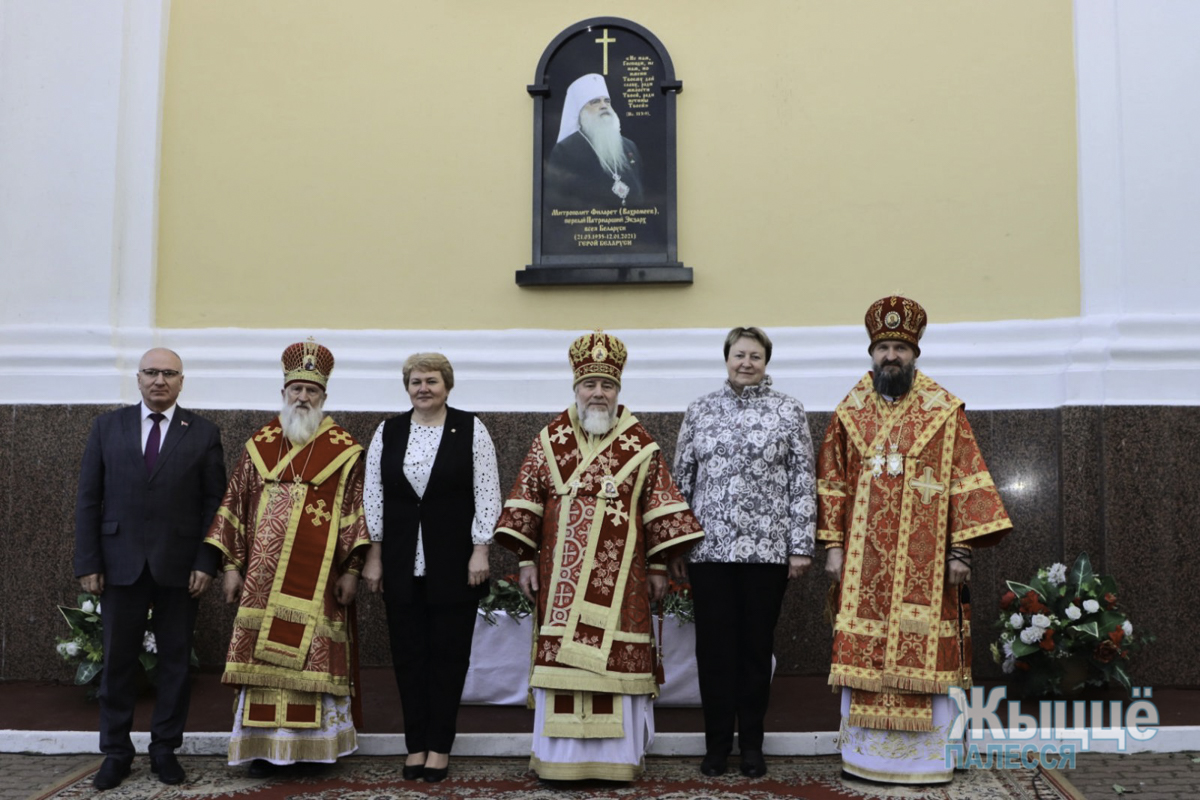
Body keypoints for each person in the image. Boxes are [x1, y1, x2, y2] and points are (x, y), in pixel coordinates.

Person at [494, 330, 704, 781]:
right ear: (576, 387)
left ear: (617, 390)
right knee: (563, 665)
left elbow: (657, 508)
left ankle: (616, 760)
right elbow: (526, 504)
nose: (597, 393)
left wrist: (658, 565)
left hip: (623, 583)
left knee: (615, 663)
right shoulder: (548, 440)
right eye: (589, 384)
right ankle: (559, 760)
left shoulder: (640, 443)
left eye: (606, 385)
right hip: (560, 580)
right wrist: (526, 563)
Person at [818, 296, 1012, 784]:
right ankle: (863, 758)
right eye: (883, 346)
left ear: (915, 353)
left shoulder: (943, 412)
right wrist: (834, 547)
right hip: (863, 565)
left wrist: (960, 550)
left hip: (926, 568)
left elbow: (968, 481)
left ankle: (928, 760)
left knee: (926, 650)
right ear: (871, 351)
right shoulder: (849, 412)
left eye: (899, 347)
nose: (891, 356)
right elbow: (832, 483)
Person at [204, 339, 370, 777]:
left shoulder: (345, 450)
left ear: (324, 397)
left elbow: (357, 513)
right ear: (283, 393)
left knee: (310, 662)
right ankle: (262, 748)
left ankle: (312, 751)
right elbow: (233, 507)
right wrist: (231, 567)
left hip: (318, 585)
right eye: (295, 389)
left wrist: (353, 570)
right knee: (262, 664)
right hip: (258, 580)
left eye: (311, 391)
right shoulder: (258, 447)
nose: (302, 397)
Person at [73, 348, 225, 790]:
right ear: (138, 379)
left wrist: (206, 561)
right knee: (118, 663)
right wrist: (88, 563)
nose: (160, 380)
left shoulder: (203, 433)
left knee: (175, 664)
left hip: (180, 568)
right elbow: (88, 499)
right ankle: (116, 753)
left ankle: (164, 750)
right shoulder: (107, 427)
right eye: (152, 372)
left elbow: (213, 504)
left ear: (182, 381)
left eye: (169, 373)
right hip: (118, 565)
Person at [672, 326, 817, 778]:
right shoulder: (700, 410)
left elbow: (802, 482)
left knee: (755, 650)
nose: (747, 363)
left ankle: (752, 746)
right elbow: (680, 481)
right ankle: (717, 746)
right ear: (727, 358)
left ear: (766, 361)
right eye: (739, 354)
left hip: (768, 553)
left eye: (755, 355)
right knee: (714, 653)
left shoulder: (789, 411)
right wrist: (675, 545)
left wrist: (801, 547)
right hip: (709, 553)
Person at [361, 353, 502, 783]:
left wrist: (481, 549)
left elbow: (488, 491)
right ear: (407, 387)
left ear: (448, 386)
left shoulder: (470, 428)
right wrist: (374, 554)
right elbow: (374, 494)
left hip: (454, 564)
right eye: (416, 381)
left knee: (448, 657)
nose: (424, 388)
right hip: (402, 564)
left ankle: (440, 746)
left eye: (432, 381)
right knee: (408, 658)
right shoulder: (389, 430)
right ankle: (416, 744)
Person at [545, 73, 645, 210]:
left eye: (607, 101)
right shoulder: (565, 150)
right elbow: (557, 202)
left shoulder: (629, 146)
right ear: (580, 112)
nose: (604, 106)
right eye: (595, 102)